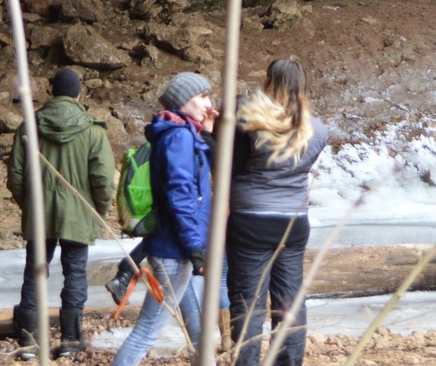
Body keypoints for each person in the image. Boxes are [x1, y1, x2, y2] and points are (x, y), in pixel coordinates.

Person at [227, 59, 328, 366]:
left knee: (249, 305)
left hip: (251, 222)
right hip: (294, 223)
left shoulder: (251, 123)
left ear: (270, 83)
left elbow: (231, 168)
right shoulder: (317, 130)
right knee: (290, 303)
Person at [112, 72, 217, 366]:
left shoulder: (182, 133)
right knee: (148, 330)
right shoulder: (179, 137)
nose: (208, 102)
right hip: (174, 247)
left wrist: (207, 132)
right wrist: (195, 247)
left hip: (176, 244)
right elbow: (181, 195)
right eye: (202, 96)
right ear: (184, 101)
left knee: (197, 329)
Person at [9, 67, 114, 360]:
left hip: (40, 210)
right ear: (78, 94)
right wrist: (98, 212)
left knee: (34, 273)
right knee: (75, 273)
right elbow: (104, 180)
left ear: (53, 93)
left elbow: (15, 175)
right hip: (78, 212)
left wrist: (29, 204)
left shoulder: (29, 127)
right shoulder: (94, 130)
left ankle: (29, 343)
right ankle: (70, 339)